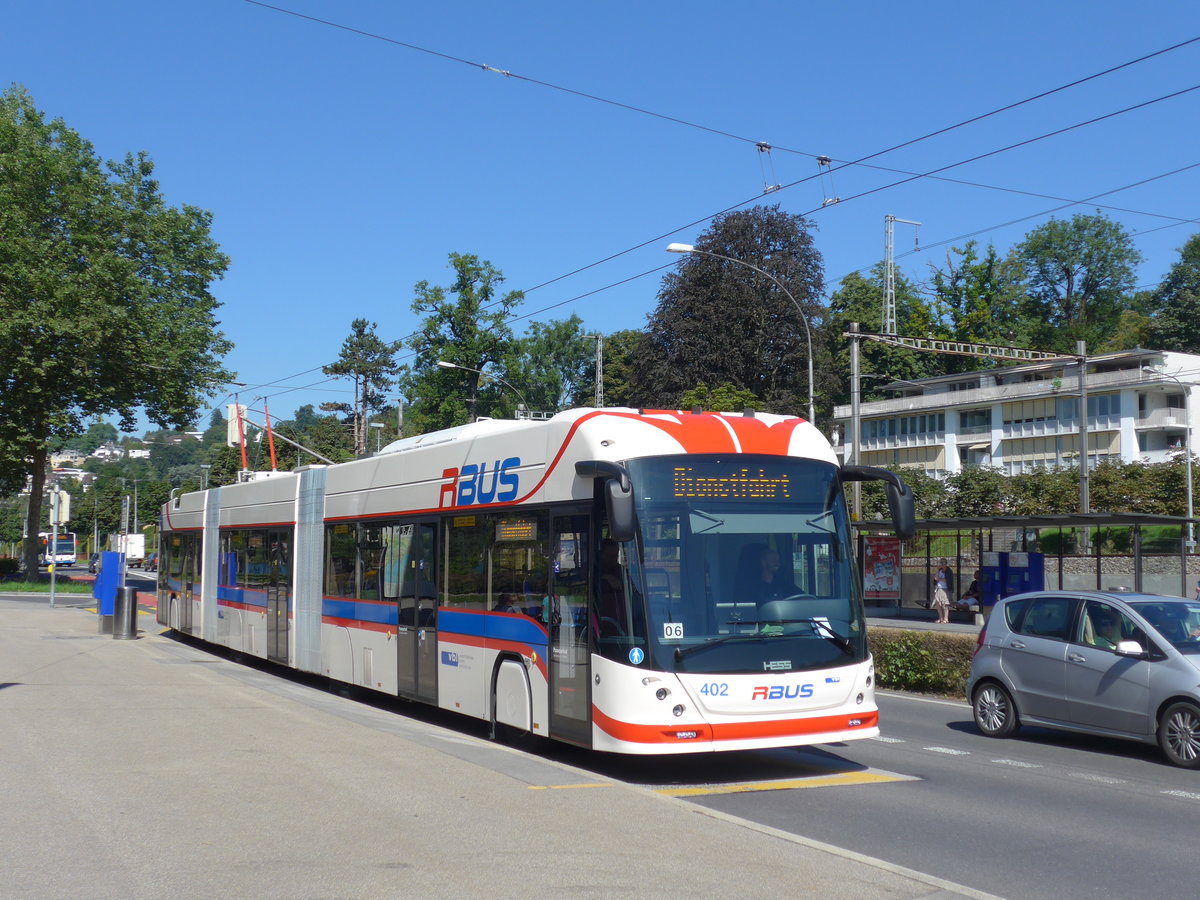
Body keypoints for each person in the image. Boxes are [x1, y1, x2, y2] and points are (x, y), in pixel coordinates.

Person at [931, 560, 952, 624]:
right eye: (940, 563)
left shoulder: (949, 571)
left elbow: (947, 580)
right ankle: (941, 618)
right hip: (939, 589)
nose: (941, 565)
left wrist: (939, 579)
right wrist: (938, 571)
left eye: (943, 563)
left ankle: (946, 619)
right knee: (938, 604)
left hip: (945, 589)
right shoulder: (939, 571)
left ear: (946, 564)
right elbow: (935, 578)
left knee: (945, 604)